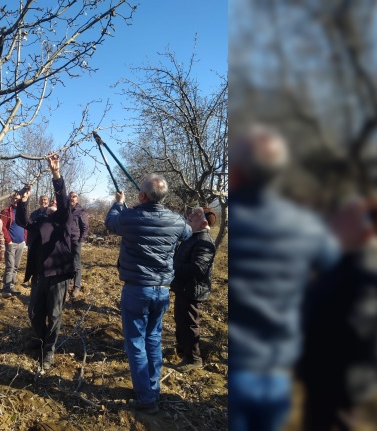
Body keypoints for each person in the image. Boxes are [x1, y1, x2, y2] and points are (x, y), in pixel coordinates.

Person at [228, 125, 340, 431]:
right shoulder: (307, 225)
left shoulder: (232, 221)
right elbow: (337, 273)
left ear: (235, 174)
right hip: (279, 369)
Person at [298, 197, 377, 431]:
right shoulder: (343, 260)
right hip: (321, 373)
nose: (334, 226)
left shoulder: (370, 272)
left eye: (344, 221)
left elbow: (355, 329)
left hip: (341, 381)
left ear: (366, 229)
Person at [105, 176, 192, 415]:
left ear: (142, 196)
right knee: (153, 339)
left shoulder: (130, 217)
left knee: (136, 343)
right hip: (162, 290)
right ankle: (152, 389)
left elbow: (111, 222)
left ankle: (146, 397)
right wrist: (167, 212)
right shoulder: (175, 220)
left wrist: (118, 202)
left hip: (137, 289)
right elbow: (187, 232)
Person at [15, 153, 74, 371]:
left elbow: (64, 199)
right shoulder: (41, 221)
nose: (53, 205)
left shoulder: (64, 220)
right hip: (39, 275)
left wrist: (55, 173)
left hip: (58, 275)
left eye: (56, 204)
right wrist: (23, 201)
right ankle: (40, 340)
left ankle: (49, 350)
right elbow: (23, 221)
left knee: (54, 314)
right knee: (34, 312)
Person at [170, 206, 217, 372]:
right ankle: (182, 349)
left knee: (190, 323)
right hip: (183, 287)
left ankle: (193, 359)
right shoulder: (192, 237)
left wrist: (172, 266)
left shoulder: (204, 242)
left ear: (204, 223)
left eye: (196, 215)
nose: (190, 216)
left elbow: (197, 269)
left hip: (192, 290)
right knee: (181, 320)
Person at [0, 191, 28, 297]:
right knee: (10, 266)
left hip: (21, 243)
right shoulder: (6, 211)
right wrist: (8, 240)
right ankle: (6, 289)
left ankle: (11, 286)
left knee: (15, 266)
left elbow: (25, 225)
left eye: (18, 198)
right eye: (15, 198)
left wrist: (25, 239)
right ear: (11, 200)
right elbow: (2, 227)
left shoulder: (22, 210)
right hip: (11, 243)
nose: (16, 200)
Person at [68, 191, 89, 299]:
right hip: (66, 241)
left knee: (76, 264)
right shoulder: (66, 210)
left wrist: (81, 240)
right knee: (68, 262)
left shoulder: (81, 212)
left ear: (77, 199)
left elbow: (85, 228)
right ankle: (70, 282)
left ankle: (77, 286)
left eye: (74, 197)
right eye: (70, 197)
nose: (72, 198)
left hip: (76, 241)